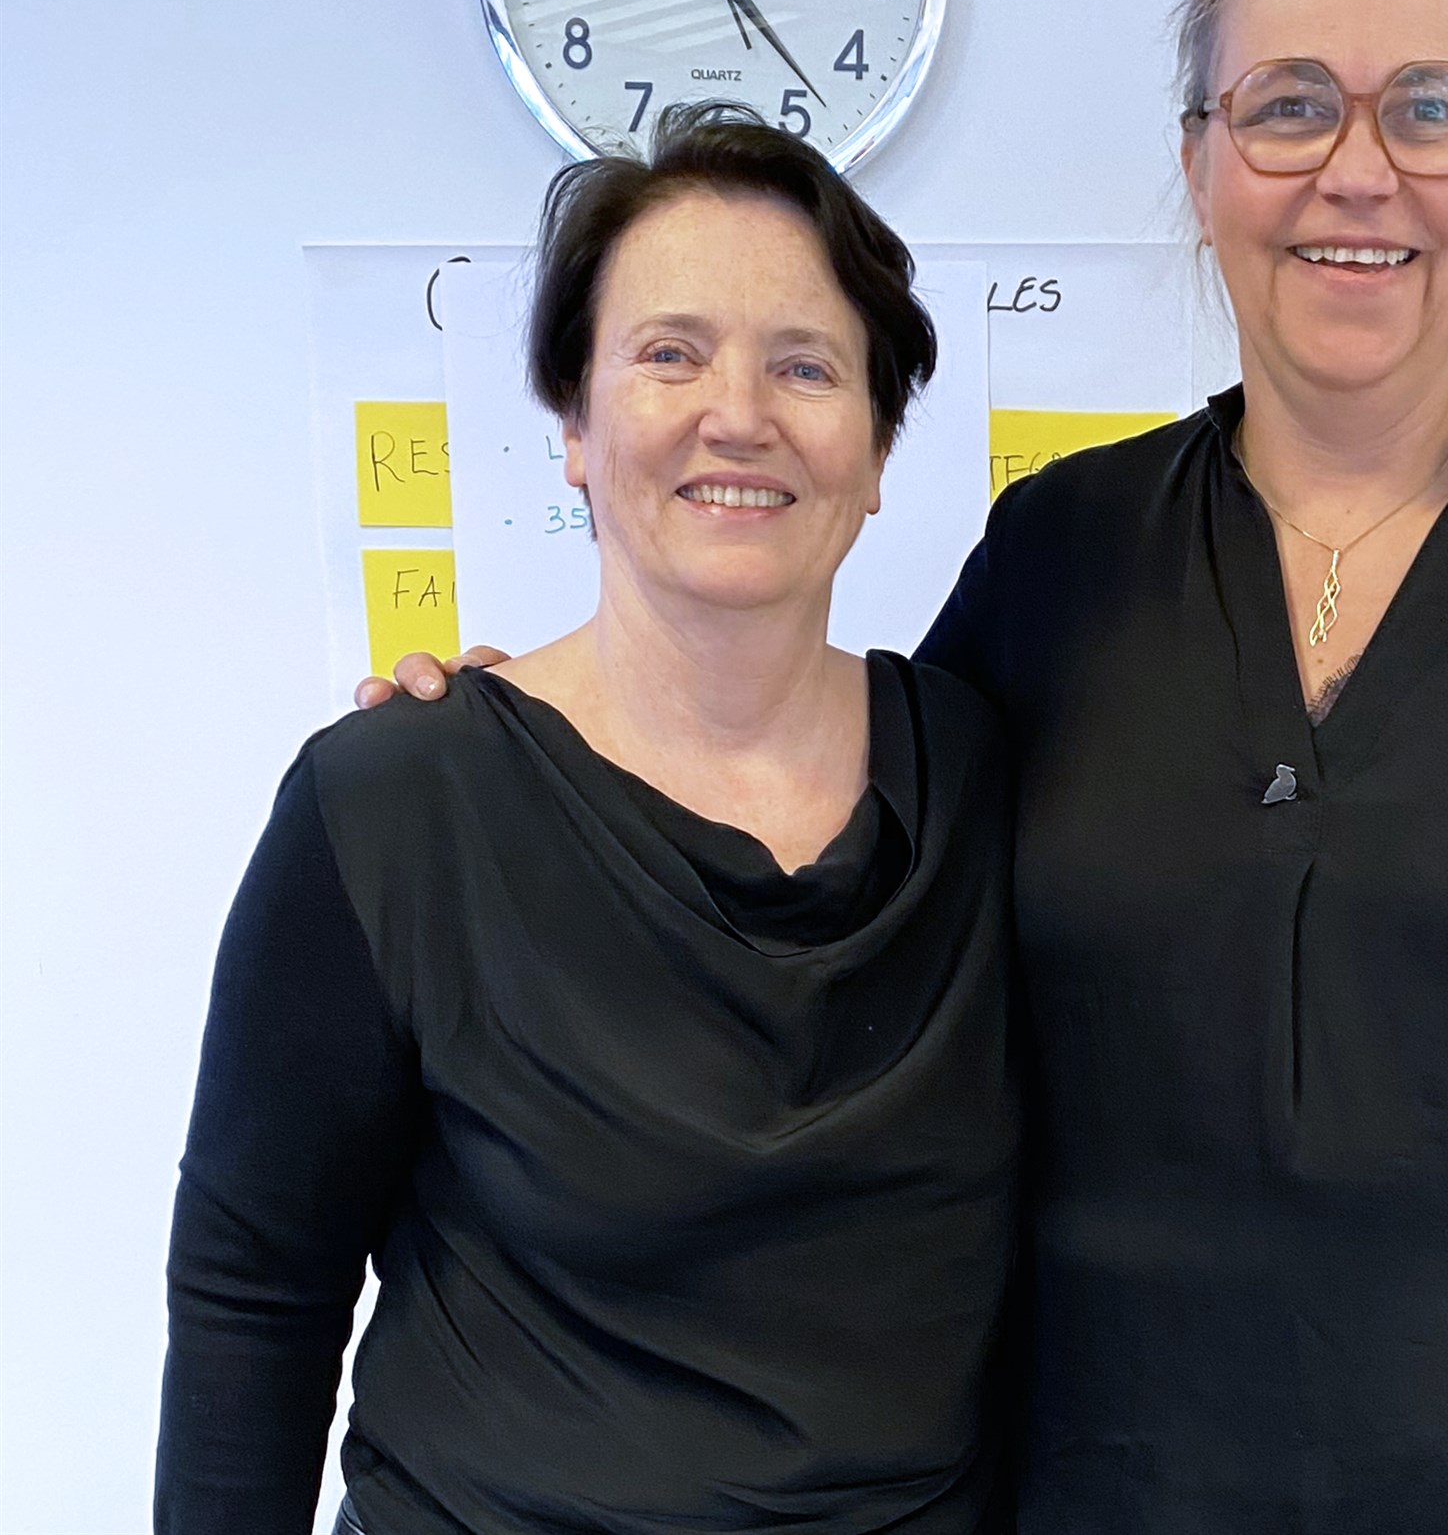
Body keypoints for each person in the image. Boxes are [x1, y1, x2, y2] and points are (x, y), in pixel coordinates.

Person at [368, 0, 1448, 1531]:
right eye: (1288, 105)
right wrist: (530, 754)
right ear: (1200, 160)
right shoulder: (1061, 560)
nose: (1359, 171)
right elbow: (805, 878)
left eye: (1431, 106)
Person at [156, 106, 1018, 1535]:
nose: (737, 413)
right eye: (670, 353)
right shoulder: (396, 803)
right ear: (573, 424)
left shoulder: (986, 779)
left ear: (876, 454)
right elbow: (258, 1287)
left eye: (806, 365)